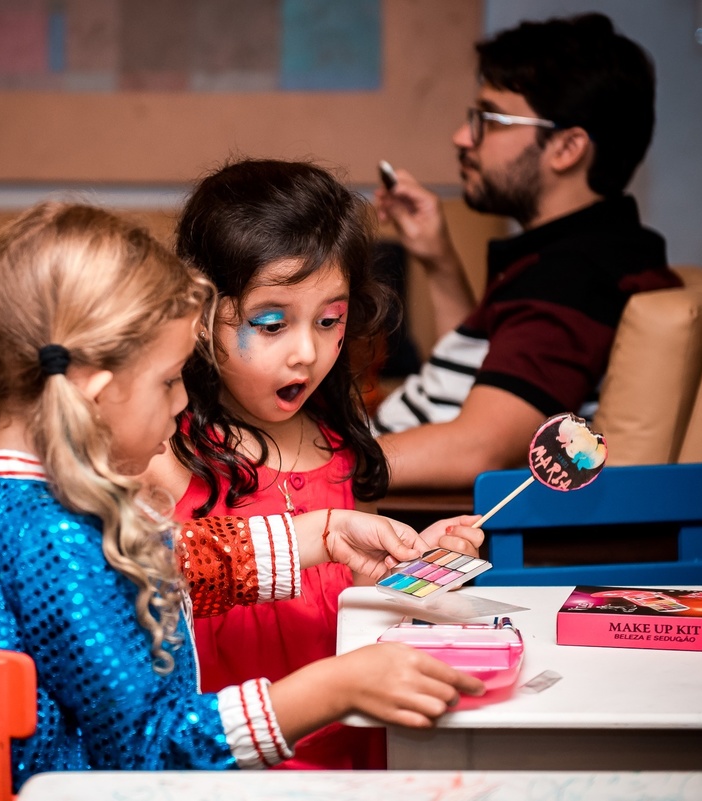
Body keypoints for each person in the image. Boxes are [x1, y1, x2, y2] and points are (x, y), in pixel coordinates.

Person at [0, 202, 485, 788]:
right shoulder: (50, 536)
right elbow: (149, 748)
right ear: (95, 389)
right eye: (170, 381)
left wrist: (323, 535)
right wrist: (331, 689)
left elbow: (162, 563)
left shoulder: (21, 504)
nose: (179, 402)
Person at [141, 159, 485, 769]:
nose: (307, 352)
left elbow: (346, 595)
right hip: (241, 755)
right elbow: (148, 600)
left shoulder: (339, 445)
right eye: (270, 324)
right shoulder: (164, 453)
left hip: (357, 736)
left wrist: (412, 566)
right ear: (199, 314)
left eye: (330, 321)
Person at [372, 13, 681, 489]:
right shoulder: (582, 255)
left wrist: (310, 473)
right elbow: (475, 382)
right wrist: (438, 259)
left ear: (567, 148)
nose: (461, 137)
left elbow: (479, 447)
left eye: (488, 120)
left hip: (391, 509)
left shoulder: (574, 278)